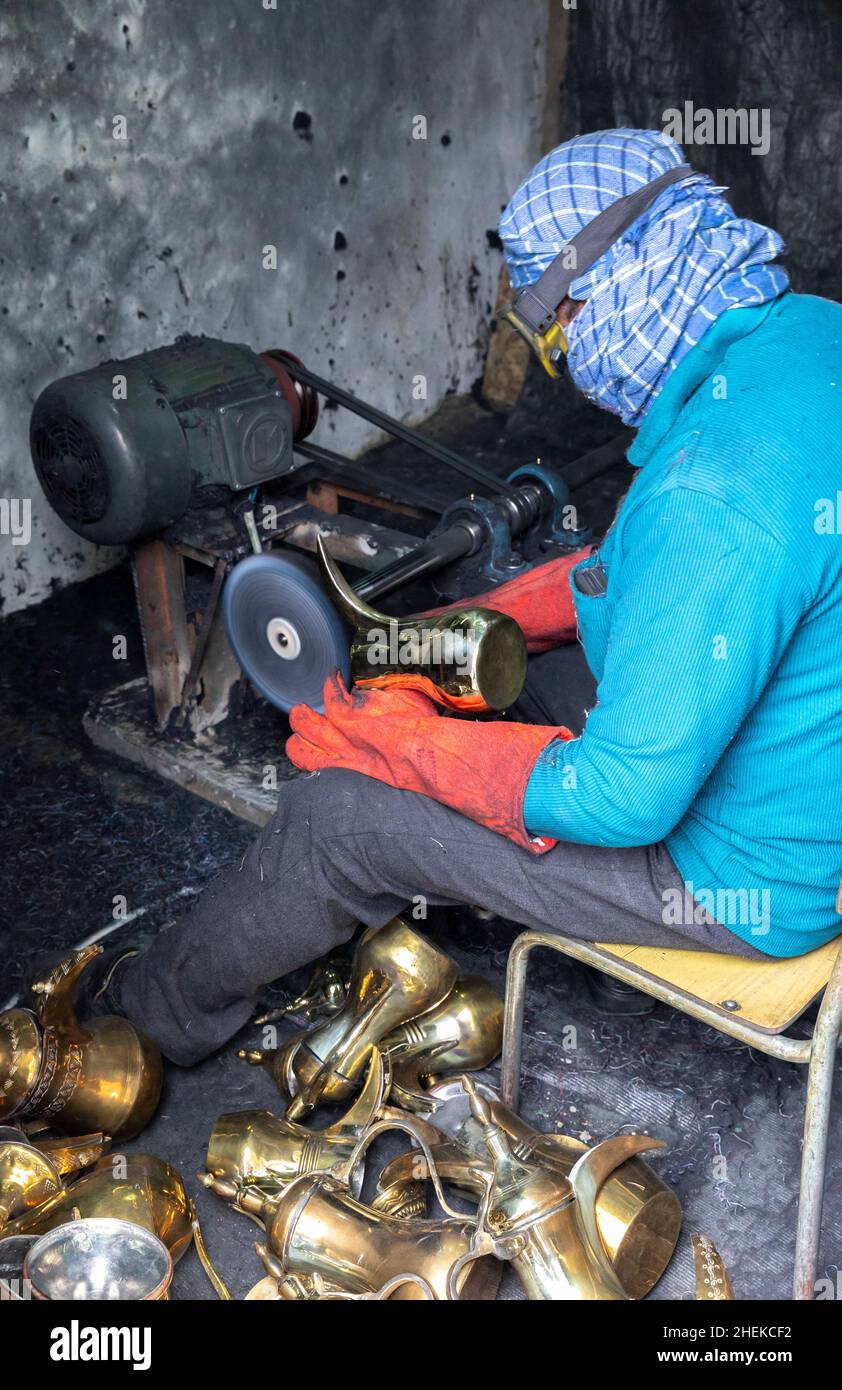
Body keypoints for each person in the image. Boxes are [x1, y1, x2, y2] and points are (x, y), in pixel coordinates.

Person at [76, 128, 842, 1064]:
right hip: (796, 766)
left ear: (623, 281)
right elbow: (653, 571)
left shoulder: (710, 494)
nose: (562, 359)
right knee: (475, 670)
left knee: (338, 821)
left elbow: (629, 796)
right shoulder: (807, 336)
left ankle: (140, 1026)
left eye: (559, 325)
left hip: (747, 877)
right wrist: (470, 629)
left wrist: (406, 747)